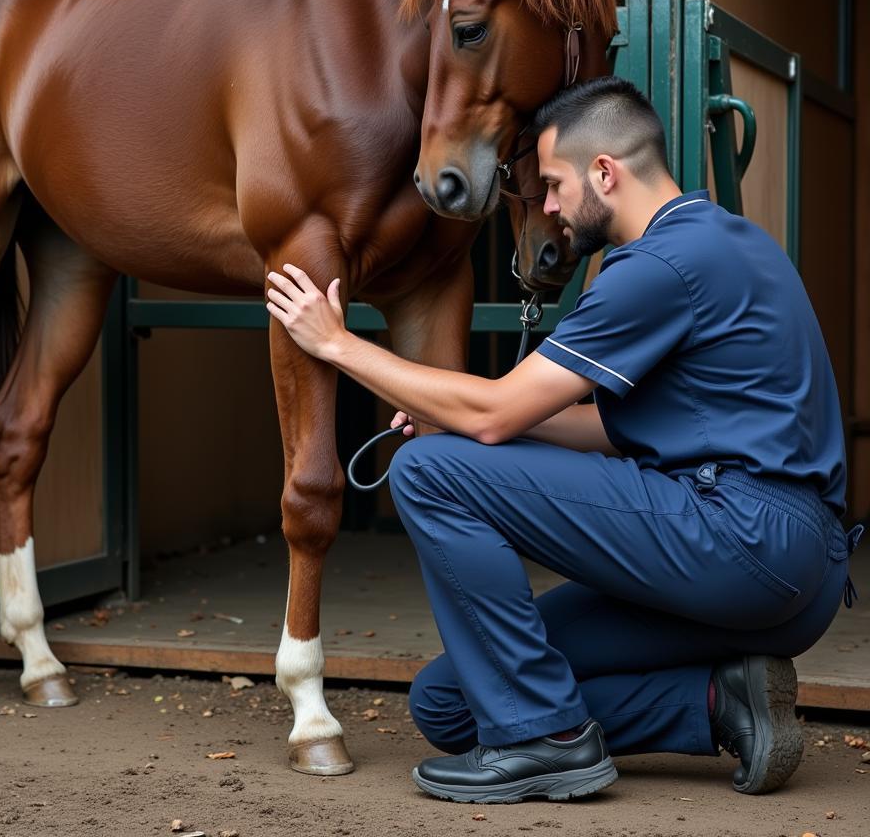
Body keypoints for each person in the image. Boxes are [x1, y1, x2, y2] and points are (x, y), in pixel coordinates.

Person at [264, 76, 860, 803]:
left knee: (427, 471)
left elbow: (495, 414)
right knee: (450, 703)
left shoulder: (658, 267)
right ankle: (718, 702)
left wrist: (338, 346)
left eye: (551, 184)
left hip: (742, 538)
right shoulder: (733, 240)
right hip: (796, 576)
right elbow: (608, 428)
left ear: (604, 172)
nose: (545, 208)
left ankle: (546, 742)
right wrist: (453, 410)